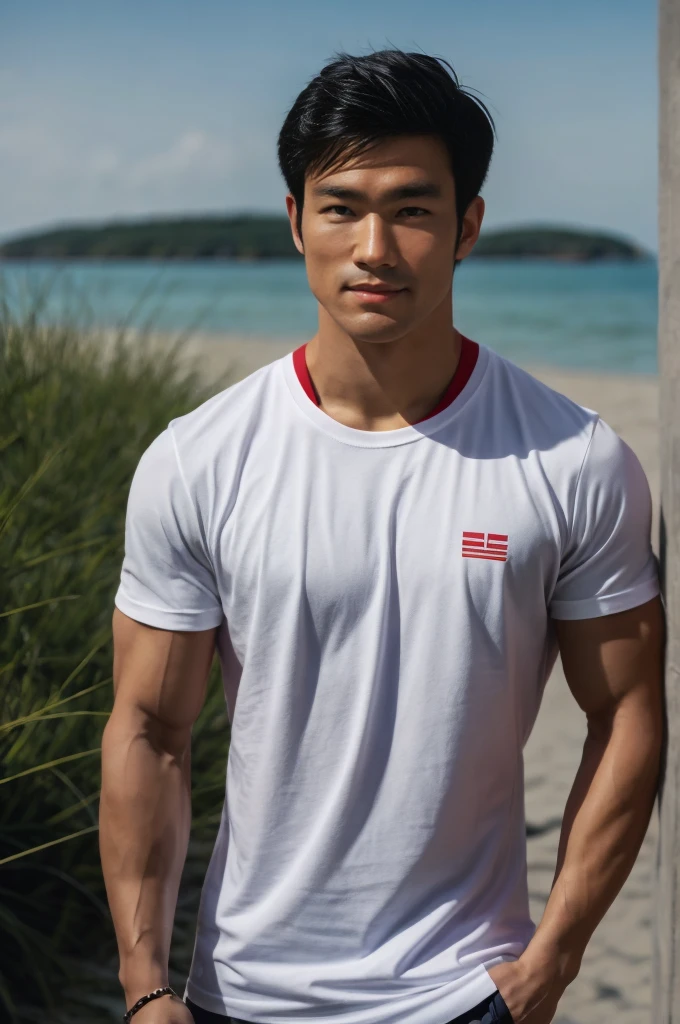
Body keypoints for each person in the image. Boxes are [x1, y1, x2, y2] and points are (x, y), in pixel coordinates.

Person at [99, 48, 664, 1024]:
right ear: (293, 221)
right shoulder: (198, 459)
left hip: (466, 992)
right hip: (237, 991)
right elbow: (150, 728)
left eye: (410, 209)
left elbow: (625, 710)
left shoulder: (573, 458)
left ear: (466, 226)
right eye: (340, 206)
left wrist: (552, 961)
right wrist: (146, 982)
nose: (374, 246)